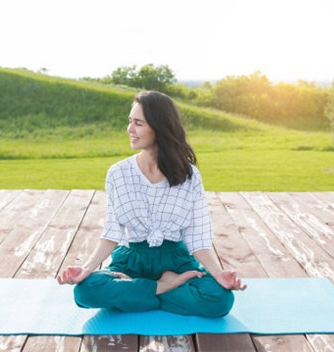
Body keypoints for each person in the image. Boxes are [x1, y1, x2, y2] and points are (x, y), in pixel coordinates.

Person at [57, 90, 246, 317]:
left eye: (138, 123)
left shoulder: (189, 176)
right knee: (85, 292)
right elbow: (112, 232)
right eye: (130, 122)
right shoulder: (118, 173)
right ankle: (167, 287)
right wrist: (86, 269)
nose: (130, 129)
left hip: (174, 261)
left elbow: (198, 237)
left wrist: (218, 273)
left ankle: (138, 293)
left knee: (220, 300)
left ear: (159, 128)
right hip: (130, 260)